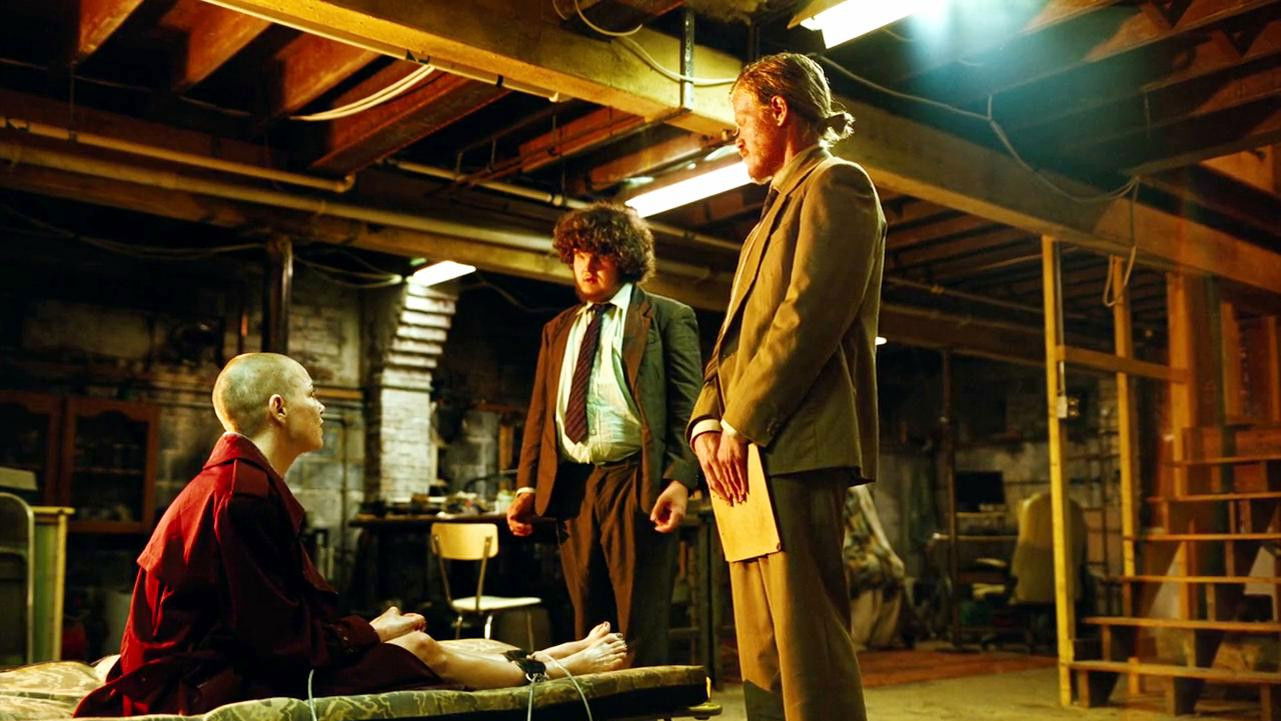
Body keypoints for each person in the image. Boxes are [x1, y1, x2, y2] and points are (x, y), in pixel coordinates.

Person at [75, 353, 626, 717]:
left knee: (417, 644)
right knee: (420, 647)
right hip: (199, 685)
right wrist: (368, 632)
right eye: (311, 393)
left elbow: (271, 622)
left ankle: (547, 656)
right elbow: (276, 645)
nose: (321, 405)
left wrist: (365, 634)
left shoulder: (239, 481)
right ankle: (555, 668)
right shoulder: (240, 495)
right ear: (278, 408)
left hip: (229, 660)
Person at [686, 53, 886, 721]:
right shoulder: (768, 219)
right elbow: (734, 340)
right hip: (746, 449)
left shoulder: (837, 184)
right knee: (762, 648)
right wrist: (706, 421)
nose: (735, 137)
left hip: (794, 441)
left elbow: (808, 316)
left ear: (779, 110)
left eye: (742, 119)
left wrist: (740, 421)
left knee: (806, 645)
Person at [506, 203, 702, 667]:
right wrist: (527, 485)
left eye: (600, 255)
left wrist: (680, 479)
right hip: (572, 483)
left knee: (638, 622)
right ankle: (594, 704)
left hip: (635, 477)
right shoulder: (558, 328)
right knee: (588, 624)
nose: (587, 266)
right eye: (578, 255)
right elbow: (541, 414)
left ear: (625, 258)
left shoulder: (666, 317)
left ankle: (643, 705)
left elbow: (688, 406)